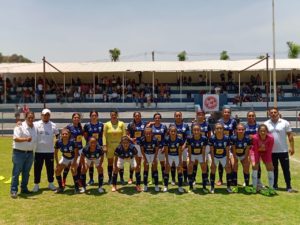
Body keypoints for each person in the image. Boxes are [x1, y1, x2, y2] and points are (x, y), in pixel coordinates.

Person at [264, 108, 296, 192]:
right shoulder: (266, 124)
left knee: (286, 169)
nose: (273, 114)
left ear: (278, 113)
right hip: (271, 151)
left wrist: (292, 147)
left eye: (275, 112)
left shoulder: (285, 122)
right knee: (273, 169)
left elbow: (290, 136)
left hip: (283, 151)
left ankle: (288, 186)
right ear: (269, 114)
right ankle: (274, 185)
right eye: (271, 113)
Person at [10, 111, 37, 198]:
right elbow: (16, 138)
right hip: (19, 153)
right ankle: (14, 190)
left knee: (26, 173)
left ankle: (24, 189)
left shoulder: (35, 127)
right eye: (29, 117)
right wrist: (26, 139)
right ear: (25, 117)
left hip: (29, 153)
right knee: (16, 172)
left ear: (34, 118)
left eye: (32, 117)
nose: (30, 119)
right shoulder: (20, 126)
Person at [32, 108, 59, 192]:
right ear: (41, 115)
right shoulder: (35, 124)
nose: (45, 116)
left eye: (47, 115)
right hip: (38, 151)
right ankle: (36, 185)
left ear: (49, 116)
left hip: (50, 151)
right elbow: (26, 124)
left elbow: (58, 135)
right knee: (37, 168)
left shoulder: (53, 125)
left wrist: (57, 141)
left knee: (50, 169)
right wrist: (19, 123)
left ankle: (51, 183)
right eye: (44, 115)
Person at [250, 124, 275, 195]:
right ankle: (254, 188)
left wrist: (268, 162)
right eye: (261, 131)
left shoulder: (271, 138)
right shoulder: (255, 138)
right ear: (258, 131)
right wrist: (256, 161)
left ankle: (271, 188)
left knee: (270, 168)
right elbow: (255, 150)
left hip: (266, 152)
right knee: (255, 166)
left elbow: (269, 151)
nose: (263, 132)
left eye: (264, 131)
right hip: (255, 152)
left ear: (267, 131)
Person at [103, 110, 126, 185]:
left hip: (119, 147)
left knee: (120, 163)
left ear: (117, 115)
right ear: (110, 116)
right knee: (110, 163)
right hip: (110, 147)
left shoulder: (121, 124)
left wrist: (124, 145)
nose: (113, 116)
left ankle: (122, 178)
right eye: (112, 115)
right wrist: (104, 145)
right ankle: (110, 179)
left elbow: (124, 135)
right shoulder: (106, 124)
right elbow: (104, 136)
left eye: (115, 115)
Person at [209, 123, 232, 194]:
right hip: (214, 156)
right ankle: (212, 187)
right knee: (213, 169)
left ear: (223, 129)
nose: (219, 130)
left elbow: (228, 150)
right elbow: (212, 151)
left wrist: (228, 161)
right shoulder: (212, 138)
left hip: (224, 156)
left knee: (228, 169)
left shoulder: (227, 138)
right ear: (214, 130)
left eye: (220, 128)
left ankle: (228, 187)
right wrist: (213, 161)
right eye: (217, 128)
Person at [54, 128, 79, 193]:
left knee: (73, 169)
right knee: (57, 170)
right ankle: (60, 187)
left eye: (66, 134)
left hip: (74, 157)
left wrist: (74, 162)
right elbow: (55, 153)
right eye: (63, 134)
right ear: (61, 135)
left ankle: (76, 188)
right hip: (65, 158)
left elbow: (76, 153)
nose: (64, 135)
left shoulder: (73, 142)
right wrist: (57, 164)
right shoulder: (58, 142)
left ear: (69, 135)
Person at [62, 113, 84, 187]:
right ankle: (63, 180)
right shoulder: (69, 126)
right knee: (68, 165)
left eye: (78, 117)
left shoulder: (80, 127)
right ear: (72, 118)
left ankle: (78, 181)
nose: (76, 119)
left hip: (80, 148)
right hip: (71, 149)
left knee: (78, 165)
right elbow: (63, 132)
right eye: (75, 117)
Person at [83, 110, 104, 185]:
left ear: (97, 116)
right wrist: (90, 143)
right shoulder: (87, 125)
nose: (94, 117)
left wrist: (100, 145)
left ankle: (100, 180)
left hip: (99, 146)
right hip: (90, 147)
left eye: (95, 115)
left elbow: (101, 135)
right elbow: (85, 136)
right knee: (90, 163)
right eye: (92, 115)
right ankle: (91, 179)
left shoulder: (101, 124)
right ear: (90, 116)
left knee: (99, 164)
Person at [186, 124, 208, 192]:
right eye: (194, 130)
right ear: (192, 131)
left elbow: (204, 150)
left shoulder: (204, 138)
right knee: (190, 167)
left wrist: (204, 160)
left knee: (204, 168)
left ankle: (204, 187)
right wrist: (190, 160)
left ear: (200, 131)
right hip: (192, 154)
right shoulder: (189, 138)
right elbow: (189, 150)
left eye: (198, 130)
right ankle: (191, 186)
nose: (196, 131)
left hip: (200, 154)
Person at [217, 107, 237, 186]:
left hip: (231, 144)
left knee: (231, 162)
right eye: (225, 112)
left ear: (230, 113)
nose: (227, 113)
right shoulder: (219, 121)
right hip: (221, 144)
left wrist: (234, 142)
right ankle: (220, 179)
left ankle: (231, 179)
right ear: (222, 113)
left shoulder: (233, 121)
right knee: (221, 162)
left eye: (228, 112)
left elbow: (236, 133)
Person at [169, 111, 190, 185]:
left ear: (181, 116)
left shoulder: (186, 125)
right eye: (176, 116)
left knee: (184, 163)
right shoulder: (171, 125)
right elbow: (169, 136)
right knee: (174, 163)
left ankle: (185, 179)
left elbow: (188, 137)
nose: (178, 117)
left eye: (179, 115)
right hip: (173, 148)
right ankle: (173, 179)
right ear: (174, 117)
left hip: (183, 148)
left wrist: (184, 146)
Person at [127, 112, 147, 185]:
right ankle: (130, 177)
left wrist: (151, 123)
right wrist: (131, 139)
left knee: (139, 162)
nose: (137, 117)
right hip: (133, 145)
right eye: (136, 116)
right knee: (132, 162)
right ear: (134, 117)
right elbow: (127, 134)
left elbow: (150, 126)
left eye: (139, 116)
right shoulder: (130, 124)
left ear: (141, 116)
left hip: (141, 145)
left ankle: (138, 177)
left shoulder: (144, 124)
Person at [147, 113, 168, 183]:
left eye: (158, 118)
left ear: (160, 119)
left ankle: (163, 179)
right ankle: (153, 179)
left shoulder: (164, 127)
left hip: (161, 148)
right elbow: (146, 133)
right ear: (154, 119)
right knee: (153, 164)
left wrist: (164, 147)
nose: (157, 119)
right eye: (156, 118)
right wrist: (150, 123)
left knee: (162, 164)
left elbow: (166, 137)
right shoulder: (151, 126)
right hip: (153, 149)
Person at [163, 125, 185, 193]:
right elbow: (166, 150)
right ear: (169, 132)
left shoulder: (179, 139)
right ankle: (166, 186)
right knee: (167, 170)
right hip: (169, 155)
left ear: (176, 132)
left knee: (179, 170)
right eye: (171, 131)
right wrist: (166, 161)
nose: (173, 133)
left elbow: (180, 150)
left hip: (177, 155)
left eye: (174, 131)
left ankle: (180, 187)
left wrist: (180, 161)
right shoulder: (166, 139)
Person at [231, 123, 251, 193]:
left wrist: (245, 158)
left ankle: (247, 185)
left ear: (245, 130)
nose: (241, 131)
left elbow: (247, 149)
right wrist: (235, 158)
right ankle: (235, 185)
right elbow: (233, 149)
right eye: (239, 129)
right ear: (236, 130)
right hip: (235, 154)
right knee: (234, 165)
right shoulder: (233, 138)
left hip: (243, 154)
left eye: (242, 129)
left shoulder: (248, 138)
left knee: (246, 166)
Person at [140, 127, 159, 192]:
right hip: (146, 154)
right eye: (146, 133)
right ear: (144, 133)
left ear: (152, 133)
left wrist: (154, 159)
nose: (148, 135)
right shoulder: (142, 139)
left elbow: (156, 150)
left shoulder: (155, 139)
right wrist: (145, 159)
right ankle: (145, 185)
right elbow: (142, 150)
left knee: (155, 169)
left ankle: (156, 185)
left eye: (149, 133)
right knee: (146, 169)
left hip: (153, 154)